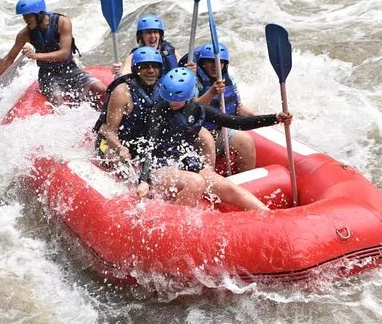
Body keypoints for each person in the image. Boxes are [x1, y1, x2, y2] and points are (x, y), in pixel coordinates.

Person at [136, 67, 292, 210]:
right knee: (196, 182)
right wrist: (143, 180)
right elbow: (150, 145)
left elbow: (237, 123)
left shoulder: (199, 110)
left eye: (177, 99)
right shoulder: (158, 111)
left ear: (188, 95)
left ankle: (269, 216)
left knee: (232, 190)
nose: (173, 103)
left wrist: (275, 118)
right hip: (159, 169)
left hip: (186, 163)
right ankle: (174, 223)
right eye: (170, 98)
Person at [0, 0, 107, 106]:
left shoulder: (62, 22)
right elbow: (9, 58)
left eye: (28, 16)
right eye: (24, 16)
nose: (25, 19)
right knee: (58, 101)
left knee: (102, 89)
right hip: (48, 74)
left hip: (70, 68)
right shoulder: (24, 34)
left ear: (40, 14)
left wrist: (35, 56)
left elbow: (64, 53)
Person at [192, 42, 259, 174]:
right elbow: (192, 110)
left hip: (221, 130)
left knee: (246, 142)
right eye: (210, 61)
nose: (215, 66)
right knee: (208, 141)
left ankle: (244, 181)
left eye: (220, 62)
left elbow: (238, 107)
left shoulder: (229, 79)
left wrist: (259, 118)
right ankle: (210, 181)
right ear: (203, 63)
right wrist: (211, 92)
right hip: (199, 132)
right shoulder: (194, 81)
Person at [94, 46, 163, 162]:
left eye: (155, 66)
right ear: (136, 69)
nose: (151, 71)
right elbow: (110, 132)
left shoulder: (163, 89)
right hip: (114, 142)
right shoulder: (122, 92)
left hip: (140, 141)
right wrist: (119, 148)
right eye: (145, 66)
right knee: (115, 159)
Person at [112, 14, 183, 76]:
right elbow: (124, 75)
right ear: (141, 36)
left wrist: (189, 68)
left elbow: (184, 71)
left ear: (160, 35)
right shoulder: (133, 56)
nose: (152, 36)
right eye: (148, 32)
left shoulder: (170, 51)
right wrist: (118, 72)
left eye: (155, 32)